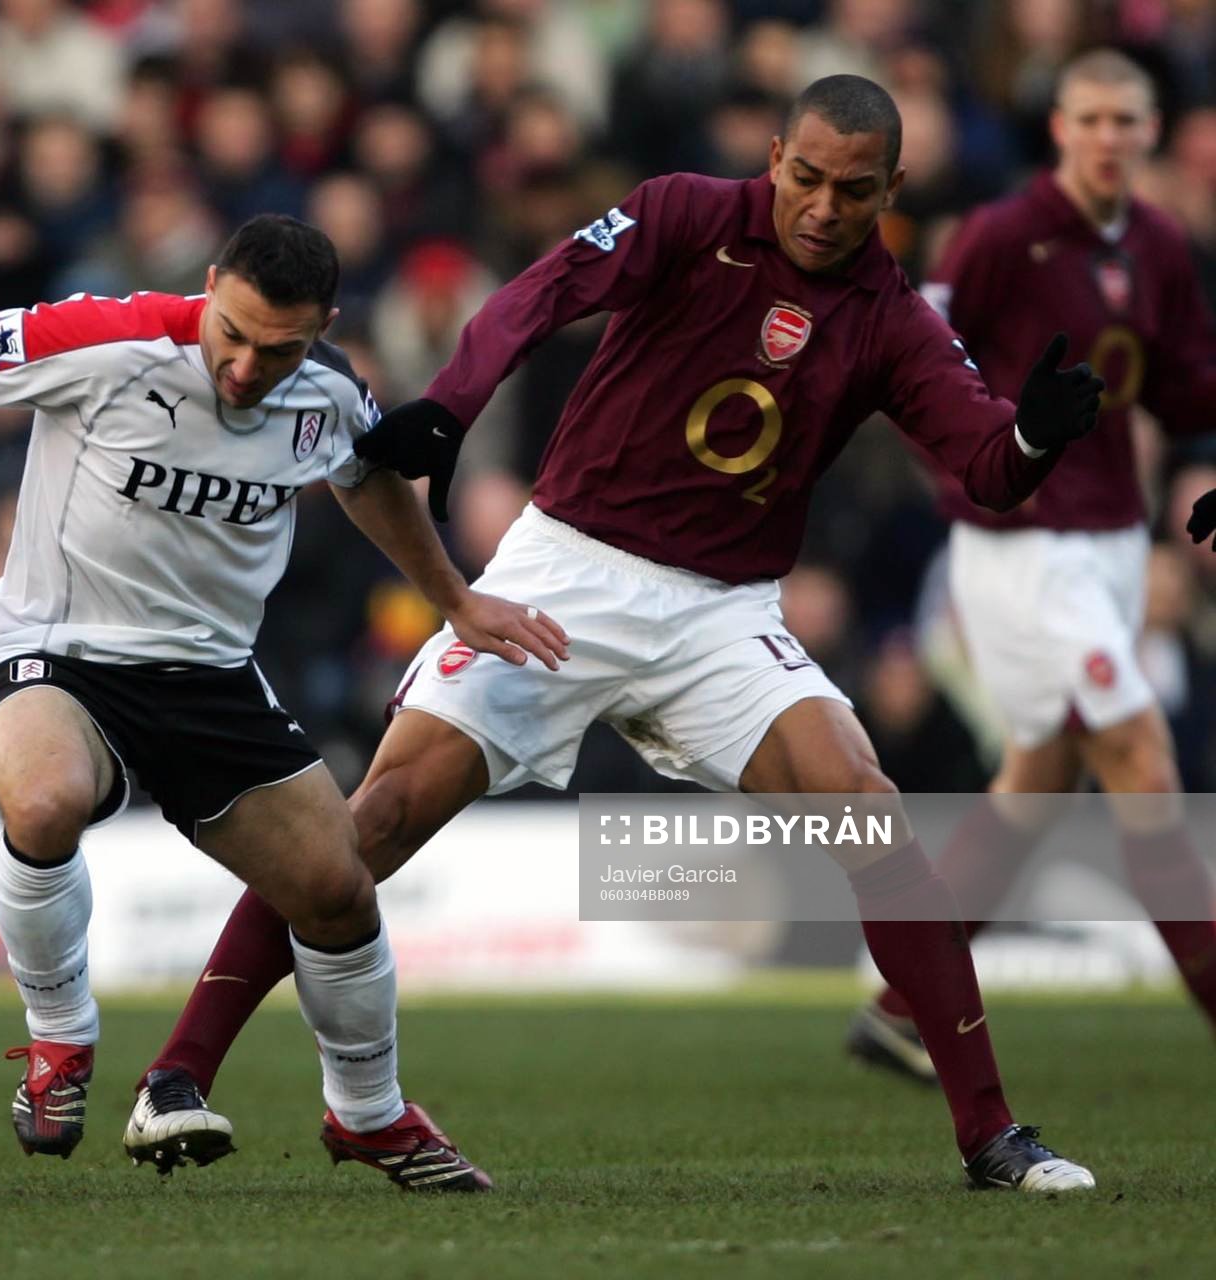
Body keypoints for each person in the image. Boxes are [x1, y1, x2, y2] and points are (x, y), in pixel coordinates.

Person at [139, 75, 1107, 1194]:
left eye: (853, 190)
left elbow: (986, 464)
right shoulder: (687, 213)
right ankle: (175, 1074)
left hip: (719, 613)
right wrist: (450, 405)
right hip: (565, 572)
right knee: (375, 821)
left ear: (890, 188)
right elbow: (536, 296)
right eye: (804, 177)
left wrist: (1033, 434)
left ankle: (990, 1134)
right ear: (773, 152)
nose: (824, 207)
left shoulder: (891, 316)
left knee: (867, 810)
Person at [0, 215, 569, 1190]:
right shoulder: (109, 338)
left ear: (319, 327)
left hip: (208, 674)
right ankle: (60, 1041)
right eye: (228, 333)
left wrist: (452, 597)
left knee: (335, 889)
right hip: (57, 650)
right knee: (44, 797)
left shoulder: (325, 393)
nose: (241, 368)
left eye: (274, 348)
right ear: (208, 286)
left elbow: (367, 478)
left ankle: (367, 1115)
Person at [846, 50, 1216, 1085]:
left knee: (1039, 782)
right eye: (1088, 117)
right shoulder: (1004, 234)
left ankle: (897, 1004)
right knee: (1140, 759)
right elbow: (911, 347)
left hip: (1105, 541)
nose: (1107, 136)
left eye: (1125, 120)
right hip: (1021, 546)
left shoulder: (1157, 245)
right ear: (1057, 128)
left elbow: (1183, 393)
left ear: (1148, 133)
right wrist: (970, 469)